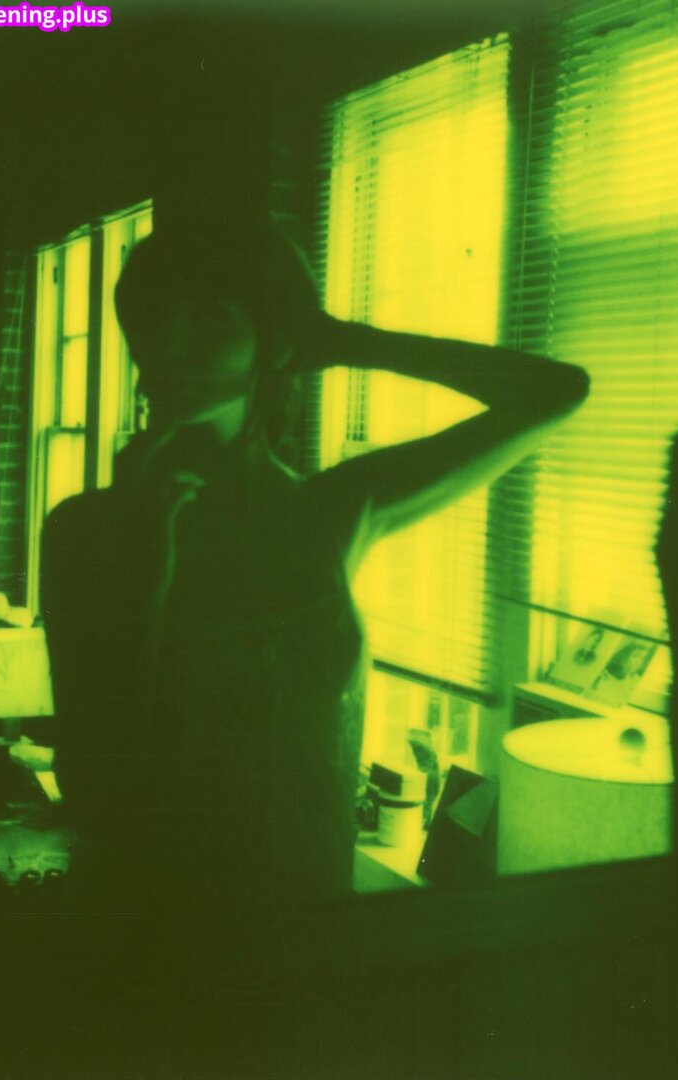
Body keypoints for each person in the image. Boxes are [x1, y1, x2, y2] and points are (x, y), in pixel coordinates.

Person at [41, 222, 589, 921]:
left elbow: (555, 391)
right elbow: (93, 793)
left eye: (210, 319)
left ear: (276, 341)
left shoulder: (331, 514)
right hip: (151, 942)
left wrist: (348, 341)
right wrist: (145, 583)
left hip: (316, 937)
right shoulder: (88, 529)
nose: (169, 345)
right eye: (154, 319)